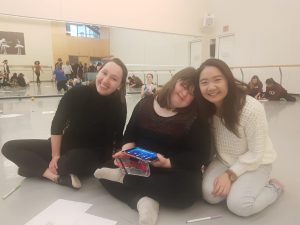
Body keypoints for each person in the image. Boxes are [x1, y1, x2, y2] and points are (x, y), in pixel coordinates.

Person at [94, 67, 211, 225]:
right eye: (183, 86)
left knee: (187, 193)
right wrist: (127, 154)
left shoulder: (196, 117)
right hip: (140, 163)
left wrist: (168, 162)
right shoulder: (145, 103)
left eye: (191, 93)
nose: (184, 94)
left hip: (173, 170)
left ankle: (125, 179)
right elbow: (129, 134)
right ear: (174, 81)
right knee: (102, 170)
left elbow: (201, 155)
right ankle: (142, 201)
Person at [1, 58, 128, 189]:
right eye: (104, 73)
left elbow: (118, 135)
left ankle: (33, 168)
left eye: (114, 78)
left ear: (120, 84)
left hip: (93, 153)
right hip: (65, 145)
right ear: (98, 72)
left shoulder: (119, 104)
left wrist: (117, 160)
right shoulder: (76, 93)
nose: (106, 80)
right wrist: (55, 155)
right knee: (9, 147)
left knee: (69, 162)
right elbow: (58, 124)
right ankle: (52, 175)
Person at [196, 58, 284, 217]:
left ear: (228, 80)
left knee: (239, 205)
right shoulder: (206, 108)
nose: (211, 87)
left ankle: (274, 188)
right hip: (225, 159)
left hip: (257, 161)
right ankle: (240, 184)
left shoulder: (250, 108)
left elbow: (256, 153)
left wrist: (230, 175)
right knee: (209, 194)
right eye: (204, 82)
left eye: (217, 80)